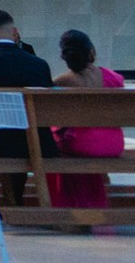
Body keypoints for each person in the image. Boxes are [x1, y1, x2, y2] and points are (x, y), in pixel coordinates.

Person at [0, 8, 54, 202]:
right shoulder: (40, 64)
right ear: (15, 32)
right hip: (40, 144)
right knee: (17, 133)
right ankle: (15, 199)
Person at [46, 29, 125, 209]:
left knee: (53, 143)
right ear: (91, 52)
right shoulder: (115, 78)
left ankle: (65, 203)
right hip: (113, 144)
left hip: (81, 145)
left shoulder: (62, 81)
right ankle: (94, 200)